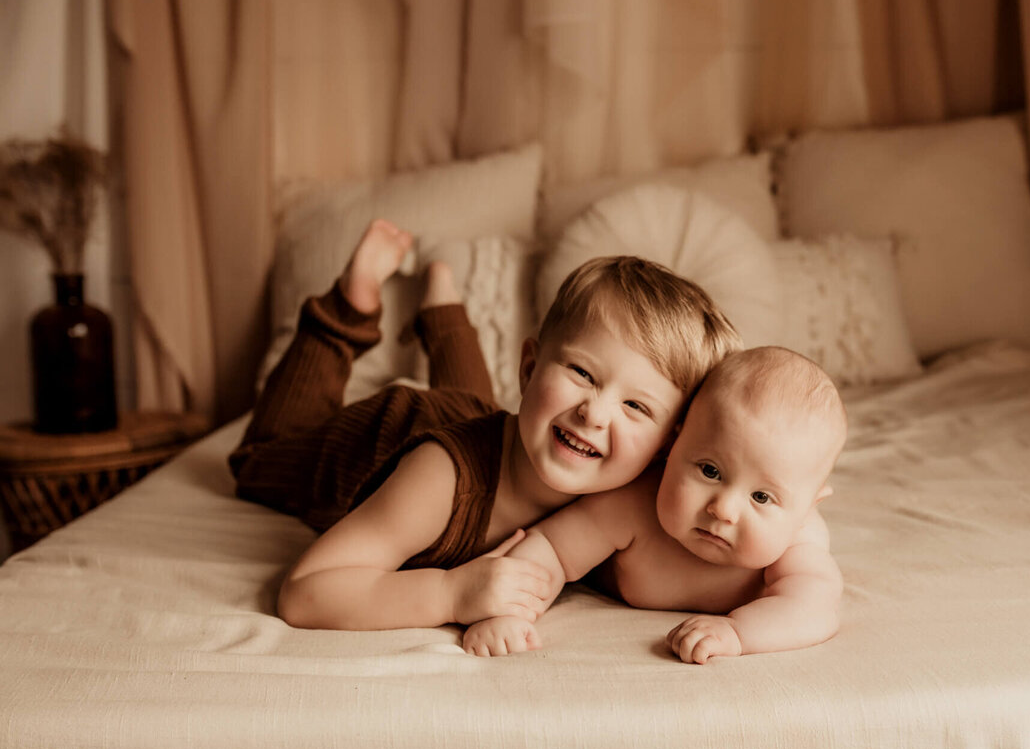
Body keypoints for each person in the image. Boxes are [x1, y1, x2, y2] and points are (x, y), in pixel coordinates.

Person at [228, 219, 743, 632]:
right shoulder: (437, 482)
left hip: (485, 418)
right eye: (582, 373)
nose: (594, 412)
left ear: (665, 449)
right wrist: (451, 594)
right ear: (528, 369)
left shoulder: (640, 492)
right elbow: (305, 591)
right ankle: (349, 305)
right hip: (387, 436)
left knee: (471, 400)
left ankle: (443, 309)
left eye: (637, 407)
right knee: (258, 461)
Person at [461, 346, 848, 663]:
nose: (724, 510)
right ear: (672, 447)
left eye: (761, 497)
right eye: (710, 470)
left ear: (808, 506)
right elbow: (552, 549)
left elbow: (814, 608)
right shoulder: (635, 504)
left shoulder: (798, 544)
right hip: (478, 438)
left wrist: (738, 633)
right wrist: (507, 611)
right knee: (468, 420)